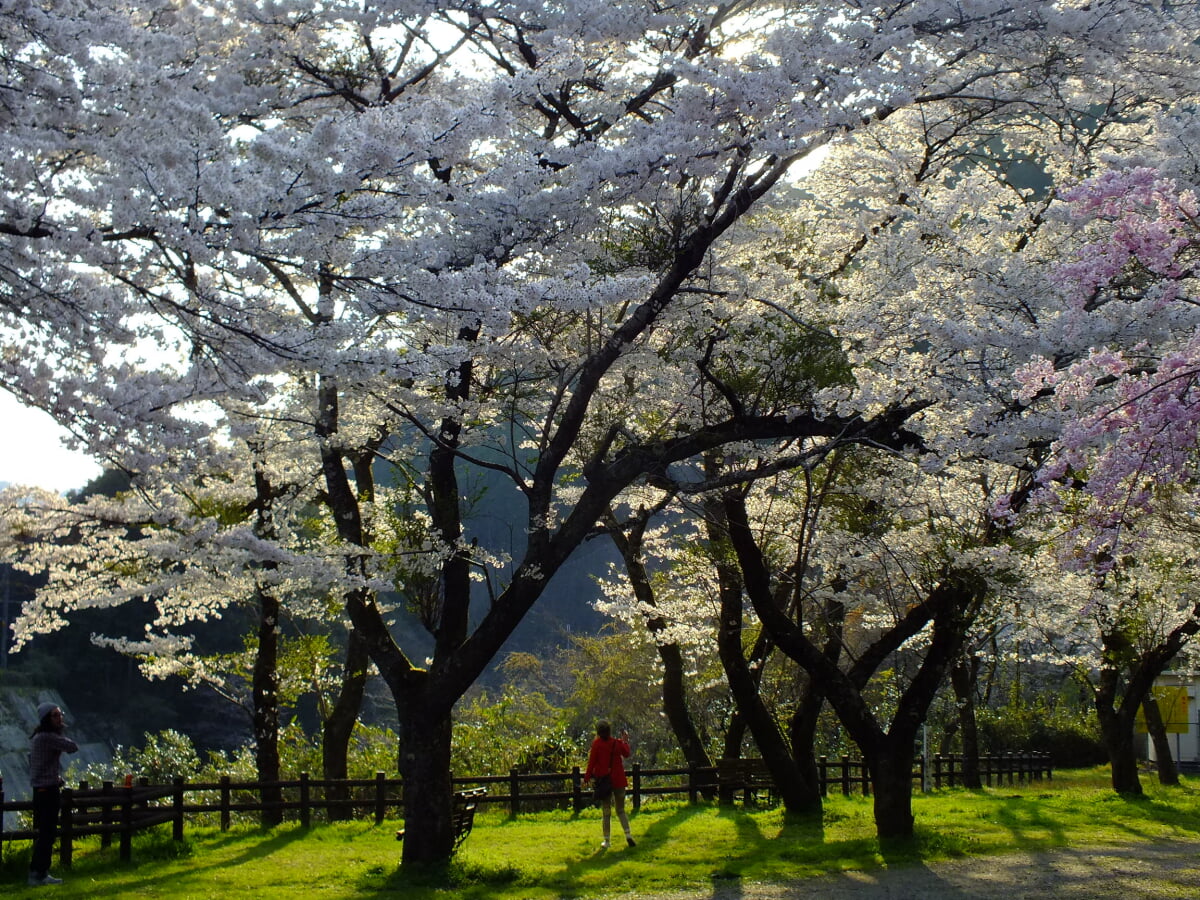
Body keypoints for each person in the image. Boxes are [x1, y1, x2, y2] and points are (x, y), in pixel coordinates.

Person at [28, 702, 78, 887]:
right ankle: (38, 873)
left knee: (46, 833)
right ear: (46, 719)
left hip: (42, 789)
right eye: (55, 715)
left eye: (60, 714)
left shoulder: (39, 737)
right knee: (47, 834)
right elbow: (72, 746)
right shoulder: (47, 737)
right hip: (47, 790)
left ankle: (39, 871)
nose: (60, 718)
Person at [583, 720, 634, 850]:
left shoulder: (597, 744)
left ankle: (607, 841)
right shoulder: (617, 743)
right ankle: (628, 834)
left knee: (606, 812)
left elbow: (592, 762)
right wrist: (625, 741)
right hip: (619, 780)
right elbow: (627, 753)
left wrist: (586, 778)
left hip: (605, 781)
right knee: (621, 810)